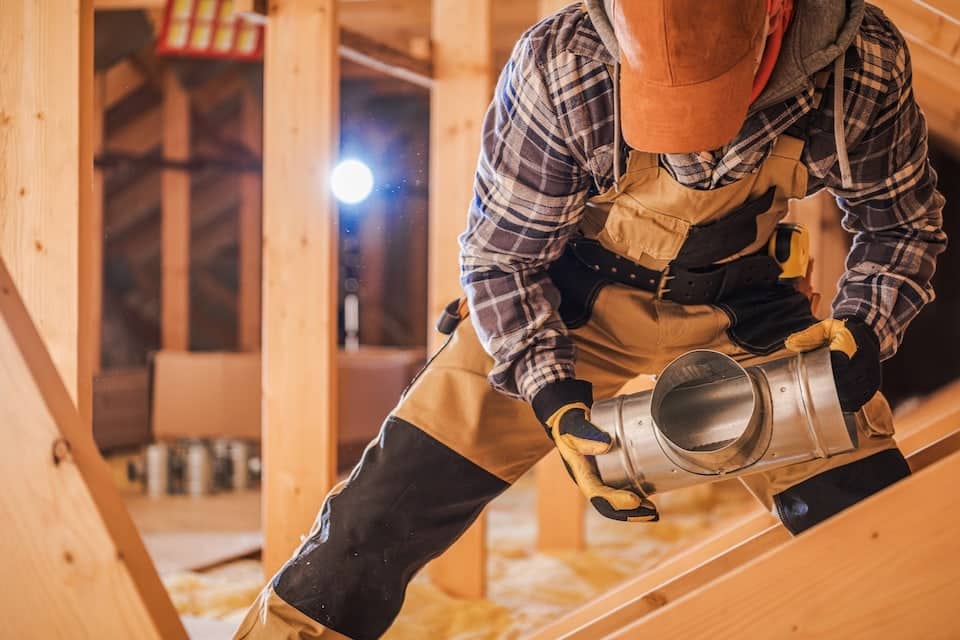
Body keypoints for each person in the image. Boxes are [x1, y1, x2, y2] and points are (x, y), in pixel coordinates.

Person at [235, 1, 946, 638]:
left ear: (775, 16)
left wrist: (863, 330)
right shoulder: (562, 64)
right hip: (564, 298)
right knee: (372, 523)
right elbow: (503, 259)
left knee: (871, 522)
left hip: (745, 305)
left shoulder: (859, 65)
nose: (693, 156)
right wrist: (547, 390)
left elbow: (900, 227)